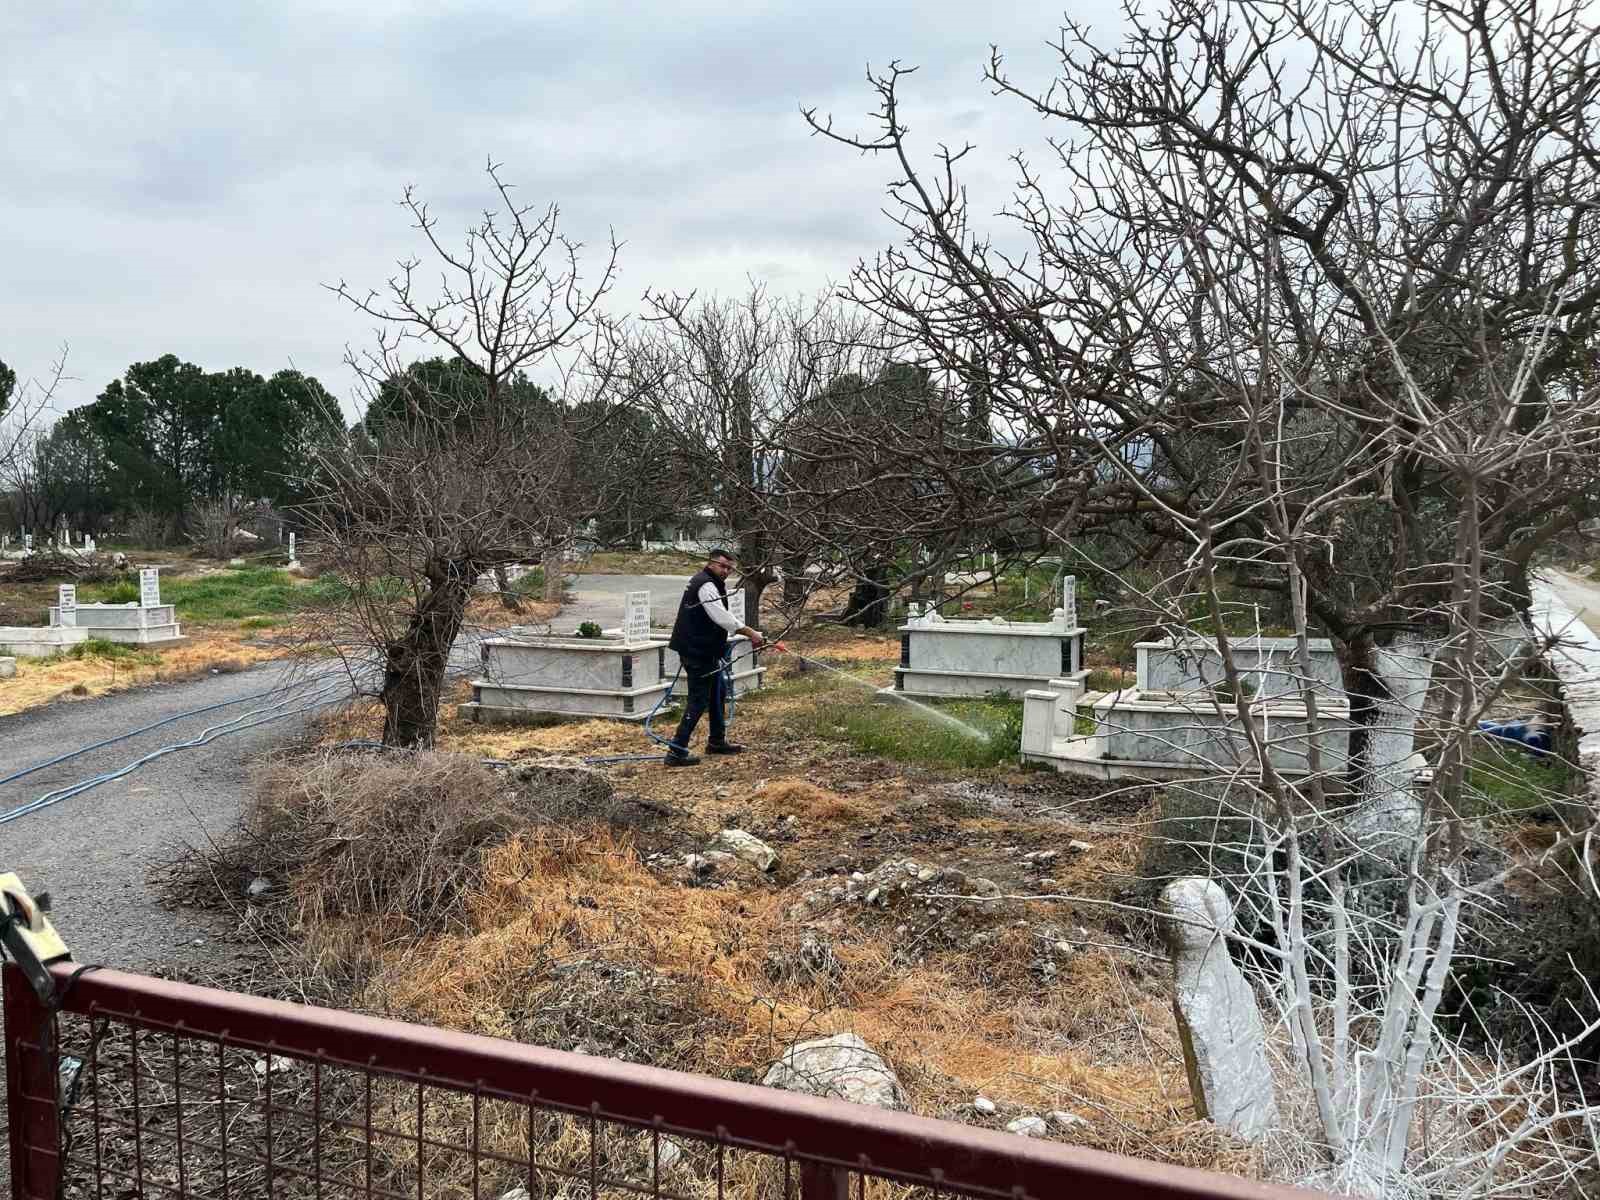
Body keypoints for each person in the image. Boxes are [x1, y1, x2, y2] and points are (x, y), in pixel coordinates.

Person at [663, 549, 764, 766]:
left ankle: (716, 741)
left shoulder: (709, 582)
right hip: (696, 651)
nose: (726, 571)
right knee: (698, 700)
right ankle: (676, 750)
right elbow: (721, 617)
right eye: (722, 566)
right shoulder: (705, 584)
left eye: (729, 568)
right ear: (711, 563)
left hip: (705, 650)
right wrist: (750, 633)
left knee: (718, 692)